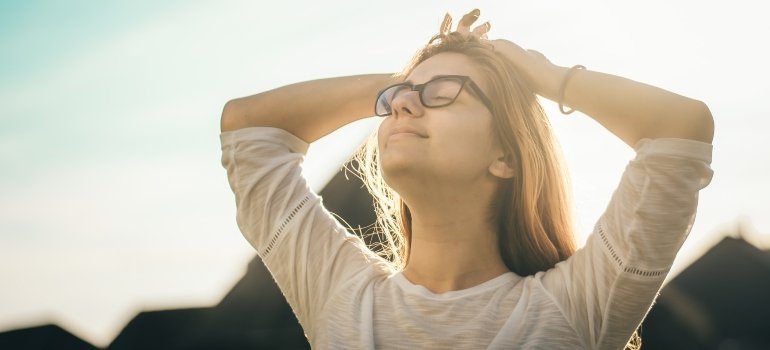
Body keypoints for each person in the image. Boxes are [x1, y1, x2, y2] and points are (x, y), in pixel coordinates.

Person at [219, 9, 714, 349]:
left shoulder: (575, 307)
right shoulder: (340, 293)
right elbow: (248, 127)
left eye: (444, 92)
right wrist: (403, 81)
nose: (405, 104)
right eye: (396, 100)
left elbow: (680, 130)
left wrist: (542, 75)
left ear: (506, 156)